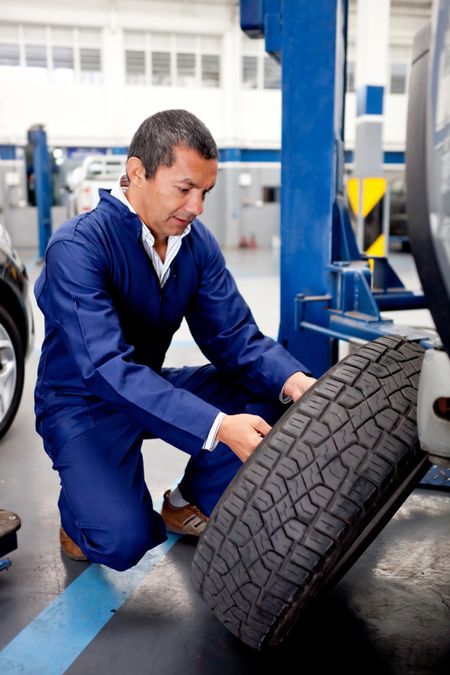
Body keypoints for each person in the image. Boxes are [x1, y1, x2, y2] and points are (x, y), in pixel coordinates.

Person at [34, 110, 316, 571]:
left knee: (273, 395)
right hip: (81, 399)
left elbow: (233, 336)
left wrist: (296, 381)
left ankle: (187, 501)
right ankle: (78, 515)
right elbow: (104, 367)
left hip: (148, 382)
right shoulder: (79, 247)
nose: (197, 206)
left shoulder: (194, 244)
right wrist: (218, 427)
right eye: (184, 189)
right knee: (124, 540)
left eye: (205, 192)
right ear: (137, 172)